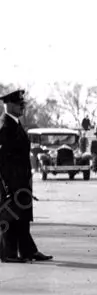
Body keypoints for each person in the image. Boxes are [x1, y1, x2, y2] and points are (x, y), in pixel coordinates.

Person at [0, 89, 52, 263]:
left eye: (23, 105)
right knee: (10, 216)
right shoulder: (5, 126)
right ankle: (8, 254)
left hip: (20, 180)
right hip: (10, 182)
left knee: (21, 217)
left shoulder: (15, 124)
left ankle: (28, 251)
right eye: (18, 105)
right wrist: (5, 185)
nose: (22, 108)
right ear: (8, 105)